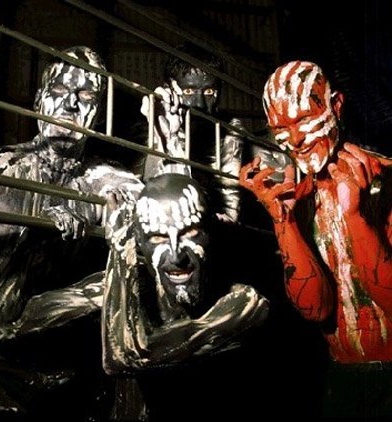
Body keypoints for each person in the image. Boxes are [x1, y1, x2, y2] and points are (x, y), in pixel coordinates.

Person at [0, 45, 143, 420]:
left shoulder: (107, 180)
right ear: (39, 100)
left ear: (98, 113)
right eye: (60, 91)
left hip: (70, 375)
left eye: (86, 96)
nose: (70, 104)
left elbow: (163, 221)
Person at [239, 60, 392, 417]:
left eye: (305, 119)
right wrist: (283, 220)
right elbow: (316, 309)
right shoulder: (301, 198)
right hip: (343, 375)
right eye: (281, 129)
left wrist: (354, 217)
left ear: (336, 105)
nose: (295, 140)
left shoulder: (387, 179)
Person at [102, 173, 269, 419]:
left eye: (190, 233)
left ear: (212, 232)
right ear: (140, 243)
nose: (176, 256)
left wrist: (119, 248)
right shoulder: (134, 288)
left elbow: (122, 359)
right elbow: (40, 312)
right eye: (158, 237)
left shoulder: (246, 305)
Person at [139, 43, 244, 224]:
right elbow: (148, 189)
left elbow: (230, 210)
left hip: (205, 222)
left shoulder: (228, 128)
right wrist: (164, 134)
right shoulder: (152, 118)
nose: (199, 103)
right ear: (170, 89)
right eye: (188, 91)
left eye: (209, 91)